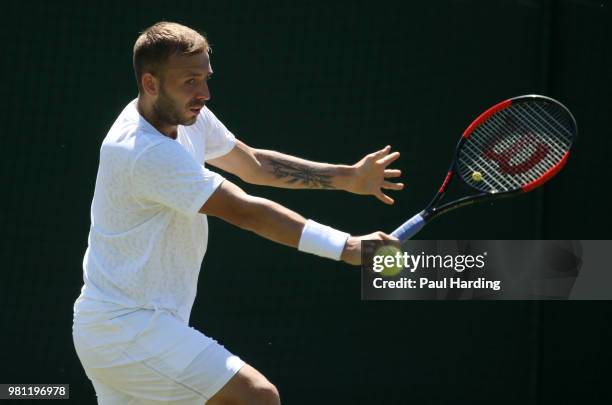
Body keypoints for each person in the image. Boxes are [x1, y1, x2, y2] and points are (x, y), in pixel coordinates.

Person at [72, 21, 403, 405]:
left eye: (205, 78)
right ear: (150, 83)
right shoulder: (143, 151)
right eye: (191, 81)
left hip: (125, 331)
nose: (204, 93)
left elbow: (253, 164)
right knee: (257, 397)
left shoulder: (185, 115)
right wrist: (344, 246)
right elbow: (244, 210)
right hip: (128, 328)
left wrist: (347, 177)